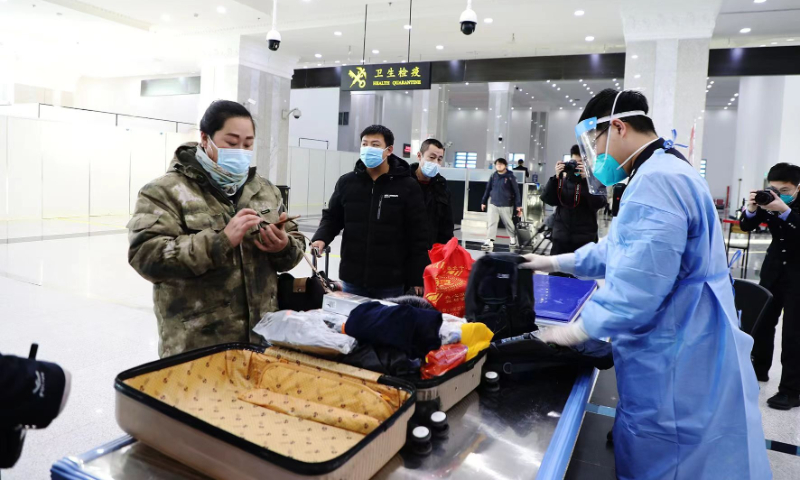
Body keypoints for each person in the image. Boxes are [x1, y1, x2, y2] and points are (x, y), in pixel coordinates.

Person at [521, 89, 770, 480]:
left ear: (618, 127)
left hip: (675, 352)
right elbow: (624, 250)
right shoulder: (665, 169)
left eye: (595, 143)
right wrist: (555, 260)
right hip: (685, 338)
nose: (593, 157)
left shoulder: (657, 180)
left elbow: (638, 287)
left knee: (667, 454)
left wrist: (576, 331)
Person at [128, 100, 305, 358]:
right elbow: (146, 256)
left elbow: (295, 240)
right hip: (199, 344)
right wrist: (219, 242)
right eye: (232, 143)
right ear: (205, 138)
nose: (241, 151)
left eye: (248, 144)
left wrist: (284, 246)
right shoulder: (164, 192)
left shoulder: (264, 190)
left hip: (262, 339)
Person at [310, 125, 429, 299]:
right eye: (364, 144)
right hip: (353, 278)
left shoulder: (407, 186)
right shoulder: (347, 183)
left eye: (375, 144)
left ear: (389, 150)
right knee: (352, 325)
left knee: (385, 325)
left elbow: (418, 235)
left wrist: (418, 276)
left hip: (391, 281)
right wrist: (321, 238)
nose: (368, 149)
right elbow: (332, 217)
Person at [740, 162, 800, 410]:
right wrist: (753, 209)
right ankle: (759, 368)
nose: (778, 193)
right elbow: (746, 225)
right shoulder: (771, 201)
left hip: (798, 274)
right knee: (762, 322)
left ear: (798, 187)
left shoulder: (783, 205)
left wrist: (785, 210)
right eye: (774, 189)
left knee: (794, 333)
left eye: (785, 189)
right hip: (773, 271)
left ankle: (791, 390)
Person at [540, 144, 606, 261]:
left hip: (584, 240)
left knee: (582, 278)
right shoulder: (562, 180)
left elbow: (599, 203)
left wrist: (587, 181)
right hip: (561, 238)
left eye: (581, 162)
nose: (577, 166)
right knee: (557, 276)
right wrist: (556, 178)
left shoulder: (595, 181)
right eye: (574, 162)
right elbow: (548, 200)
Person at [410, 138, 455, 247]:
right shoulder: (404, 183)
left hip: (431, 251)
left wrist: (445, 249)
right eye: (431, 157)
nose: (435, 163)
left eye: (439, 159)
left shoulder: (441, 186)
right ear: (419, 156)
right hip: (405, 251)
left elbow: (446, 224)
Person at [480, 158, 522, 251]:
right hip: (493, 203)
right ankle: (489, 240)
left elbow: (516, 191)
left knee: (508, 223)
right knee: (492, 222)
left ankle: (512, 238)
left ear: (505, 166)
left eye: (501, 164)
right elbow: (488, 189)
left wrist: (518, 205)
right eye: (497, 164)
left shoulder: (510, 177)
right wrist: (483, 201)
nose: (499, 166)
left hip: (506, 204)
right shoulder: (493, 176)